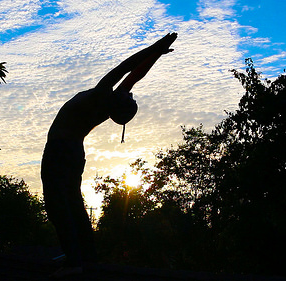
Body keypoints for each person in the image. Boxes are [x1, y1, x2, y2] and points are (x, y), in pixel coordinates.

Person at [41, 32, 177, 278]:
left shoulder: (101, 94)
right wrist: (156, 53)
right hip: (73, 151)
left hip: (59, 151)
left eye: (129, 95)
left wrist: (154, 47)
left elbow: (126, 67)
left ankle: (74, 261)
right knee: (73, 202)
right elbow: (136, 74)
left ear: (120, 102)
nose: (130, 90)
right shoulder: (109, 102)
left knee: (57, 204)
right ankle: (84, 255)